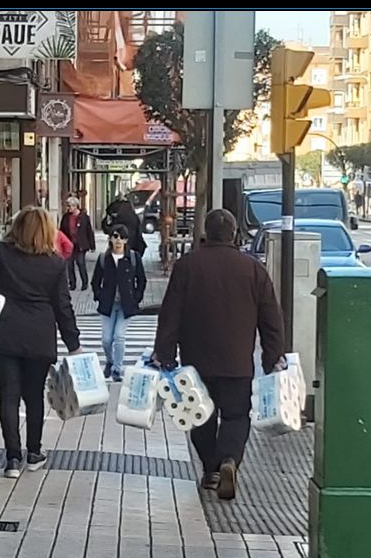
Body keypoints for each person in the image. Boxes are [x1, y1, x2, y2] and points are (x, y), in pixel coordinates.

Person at [153, 208, 285, 500]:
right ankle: (229, 460)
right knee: (237, 416)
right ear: (235, 234)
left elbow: (170, 314)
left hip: (196, 362)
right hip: (238, 362)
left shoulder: (187, 266)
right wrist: (273, 357)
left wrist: (163, 353)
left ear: (206, 233)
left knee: (200, 416)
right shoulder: (253, 269)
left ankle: (211, 469)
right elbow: (271, 319)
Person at [0, 206, 82, 478]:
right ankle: (34, 453)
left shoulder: (1, 253)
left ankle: (11, 459)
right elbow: (62, 306)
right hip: (39, 337)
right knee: (34, 396)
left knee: (8, 396)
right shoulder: (55, 263)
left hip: (4, 332)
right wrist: (73, 343)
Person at [91, 223, 146, 381]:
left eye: (122, 237)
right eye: (115, 236)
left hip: (125, 304)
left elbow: (141, 280)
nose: (118, 240)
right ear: (110, 239)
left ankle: (117, 368)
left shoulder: (133, 258)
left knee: (119, 336)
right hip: (108, 304)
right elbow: (96, 281)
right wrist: (99, 296)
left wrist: (136, 297)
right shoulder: (104, 259)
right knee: (106, 339)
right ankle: (109, 361)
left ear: (126, 240)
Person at [59, 197, 95, 291]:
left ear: (75, 206)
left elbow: (89, 231)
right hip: (69, 244)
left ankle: (85, 282)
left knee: (80, 262)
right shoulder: (66, 217)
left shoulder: (84, 217)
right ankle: (72, 283)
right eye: (67, 206)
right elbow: (61, 231)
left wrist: (92, 245)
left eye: (70, 206)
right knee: (69, 265)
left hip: (80, 244)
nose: (68, 208)